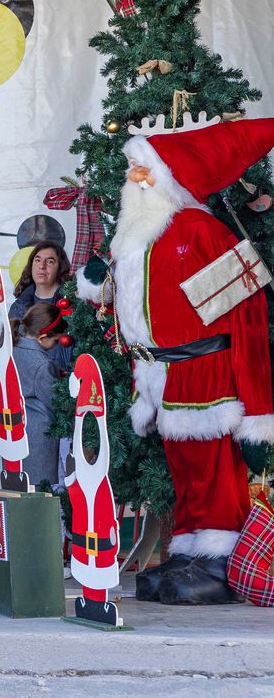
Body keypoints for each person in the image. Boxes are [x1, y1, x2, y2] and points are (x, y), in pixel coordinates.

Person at [110, 119, 274, 606]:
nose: (135, 177)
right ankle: (190, 550)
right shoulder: (138, 238)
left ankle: (220, 558)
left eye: (144, 168)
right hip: (162, 374)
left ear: (169, 177)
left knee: (214, 465)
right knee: (184, 467)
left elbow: (247, 315)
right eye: (132, 168)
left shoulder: (202, 231)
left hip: (207, 373)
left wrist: (258, 403)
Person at [12, 301, 69, 490]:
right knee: (44, 494)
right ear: (43, 336)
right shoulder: (42, 364)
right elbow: (57, 403)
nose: (53, 346)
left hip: (17, 430)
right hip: (40, 439)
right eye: (54, 341)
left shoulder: (13, 347)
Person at [9, 240, 70, 341]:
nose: (42, 266)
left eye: (50, 261)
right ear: (31, 265)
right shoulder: (17, 308)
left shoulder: (70, 306)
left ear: (60, 268)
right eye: (37, 260)